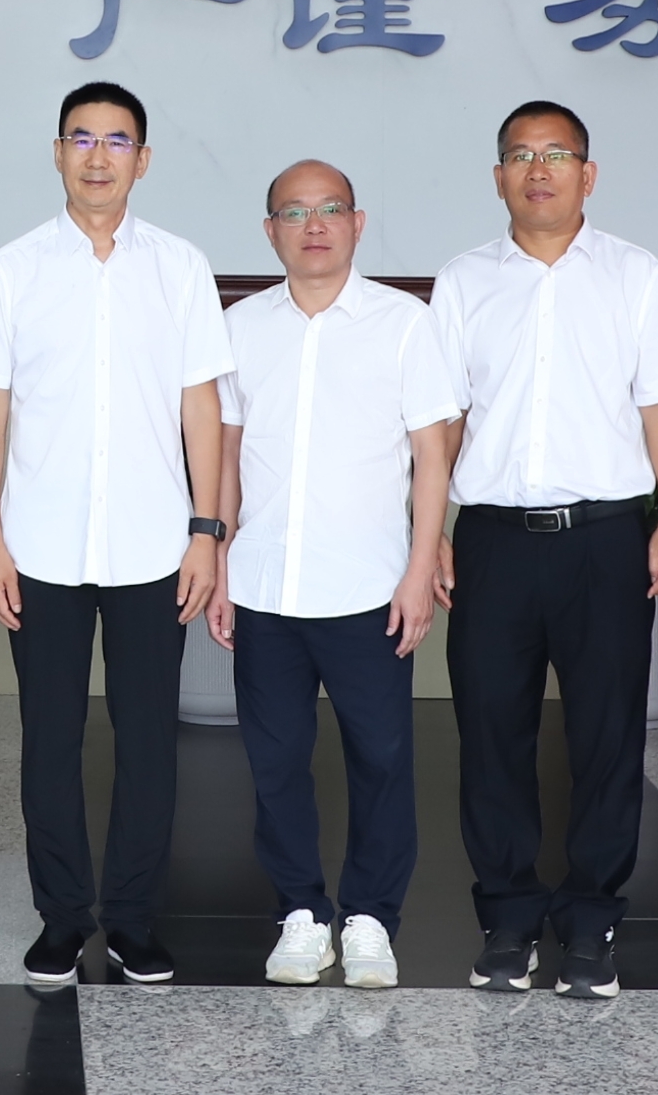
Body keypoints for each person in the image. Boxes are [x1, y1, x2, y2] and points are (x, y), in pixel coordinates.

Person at [0, 81, 229, 987]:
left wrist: (205, 531)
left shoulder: (180, 267)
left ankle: (134, 921)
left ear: (142, 160)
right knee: (49, 739)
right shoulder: (12, 268)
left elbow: (201, 405)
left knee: (149, 741)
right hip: (39, 546)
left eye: (117, 141)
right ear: (57, 153)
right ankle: (61, 918)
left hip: (155, 546)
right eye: (81, 138)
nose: (98, 156)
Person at [429, 105, 658, 1000]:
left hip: (605, 539)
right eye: (519, 155)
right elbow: (442, 421)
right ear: (497, 176)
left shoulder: (631, 275)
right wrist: (429, 532)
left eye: (555, 155)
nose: (537, 169)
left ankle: (591, 921)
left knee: (606, 736)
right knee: (490, 734)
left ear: (588, 174)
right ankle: (507, 918)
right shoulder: (463, 281)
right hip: (493, 541)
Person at [209, 160, 461, 992]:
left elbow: (431, 457)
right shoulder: (241, 327)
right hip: (264, 587)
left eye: (328, 210)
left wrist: (419, 568)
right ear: (269, 231)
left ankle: (370, 919)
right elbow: (227, 457)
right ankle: (300, 912)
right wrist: (219, 560)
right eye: (293, 212)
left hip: (369, 588)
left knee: (381, 760)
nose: (312, 225)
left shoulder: (404, 323)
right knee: (275, 762)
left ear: (356, 223)